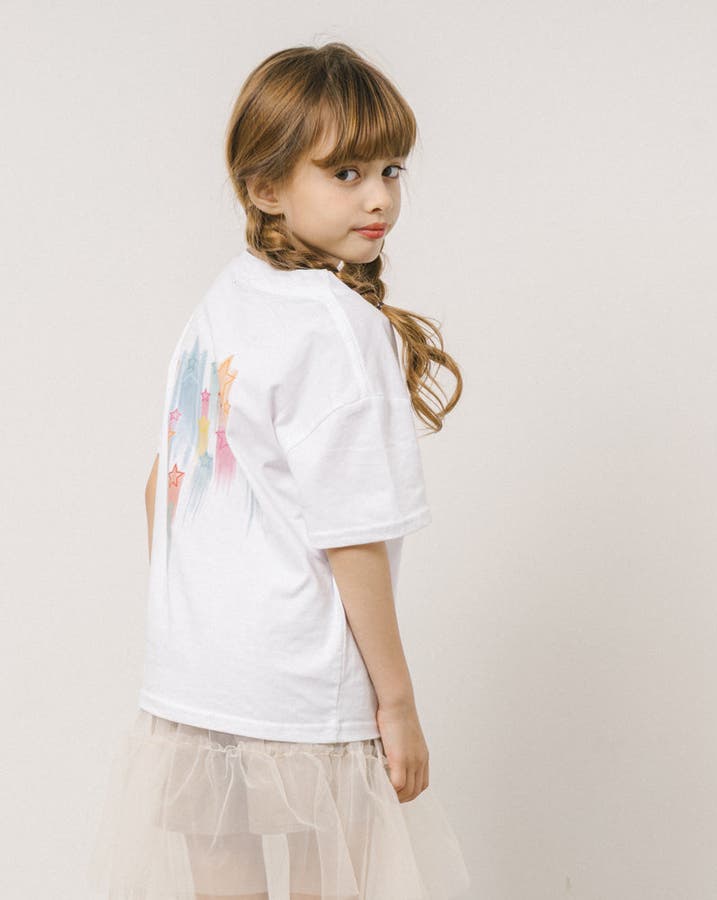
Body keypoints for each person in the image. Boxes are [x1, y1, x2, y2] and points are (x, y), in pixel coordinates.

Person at [87, 41, 470, 899]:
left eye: (391, 169)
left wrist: (194, 623)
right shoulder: (338, 328)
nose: (379, 197)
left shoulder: (226, 299)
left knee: (220, 877)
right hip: (298, 673)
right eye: (346, 173)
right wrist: (397, 705)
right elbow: (353, 536)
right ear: (265, 187)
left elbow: (160, 486)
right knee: (329, 878)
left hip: (196, 670)